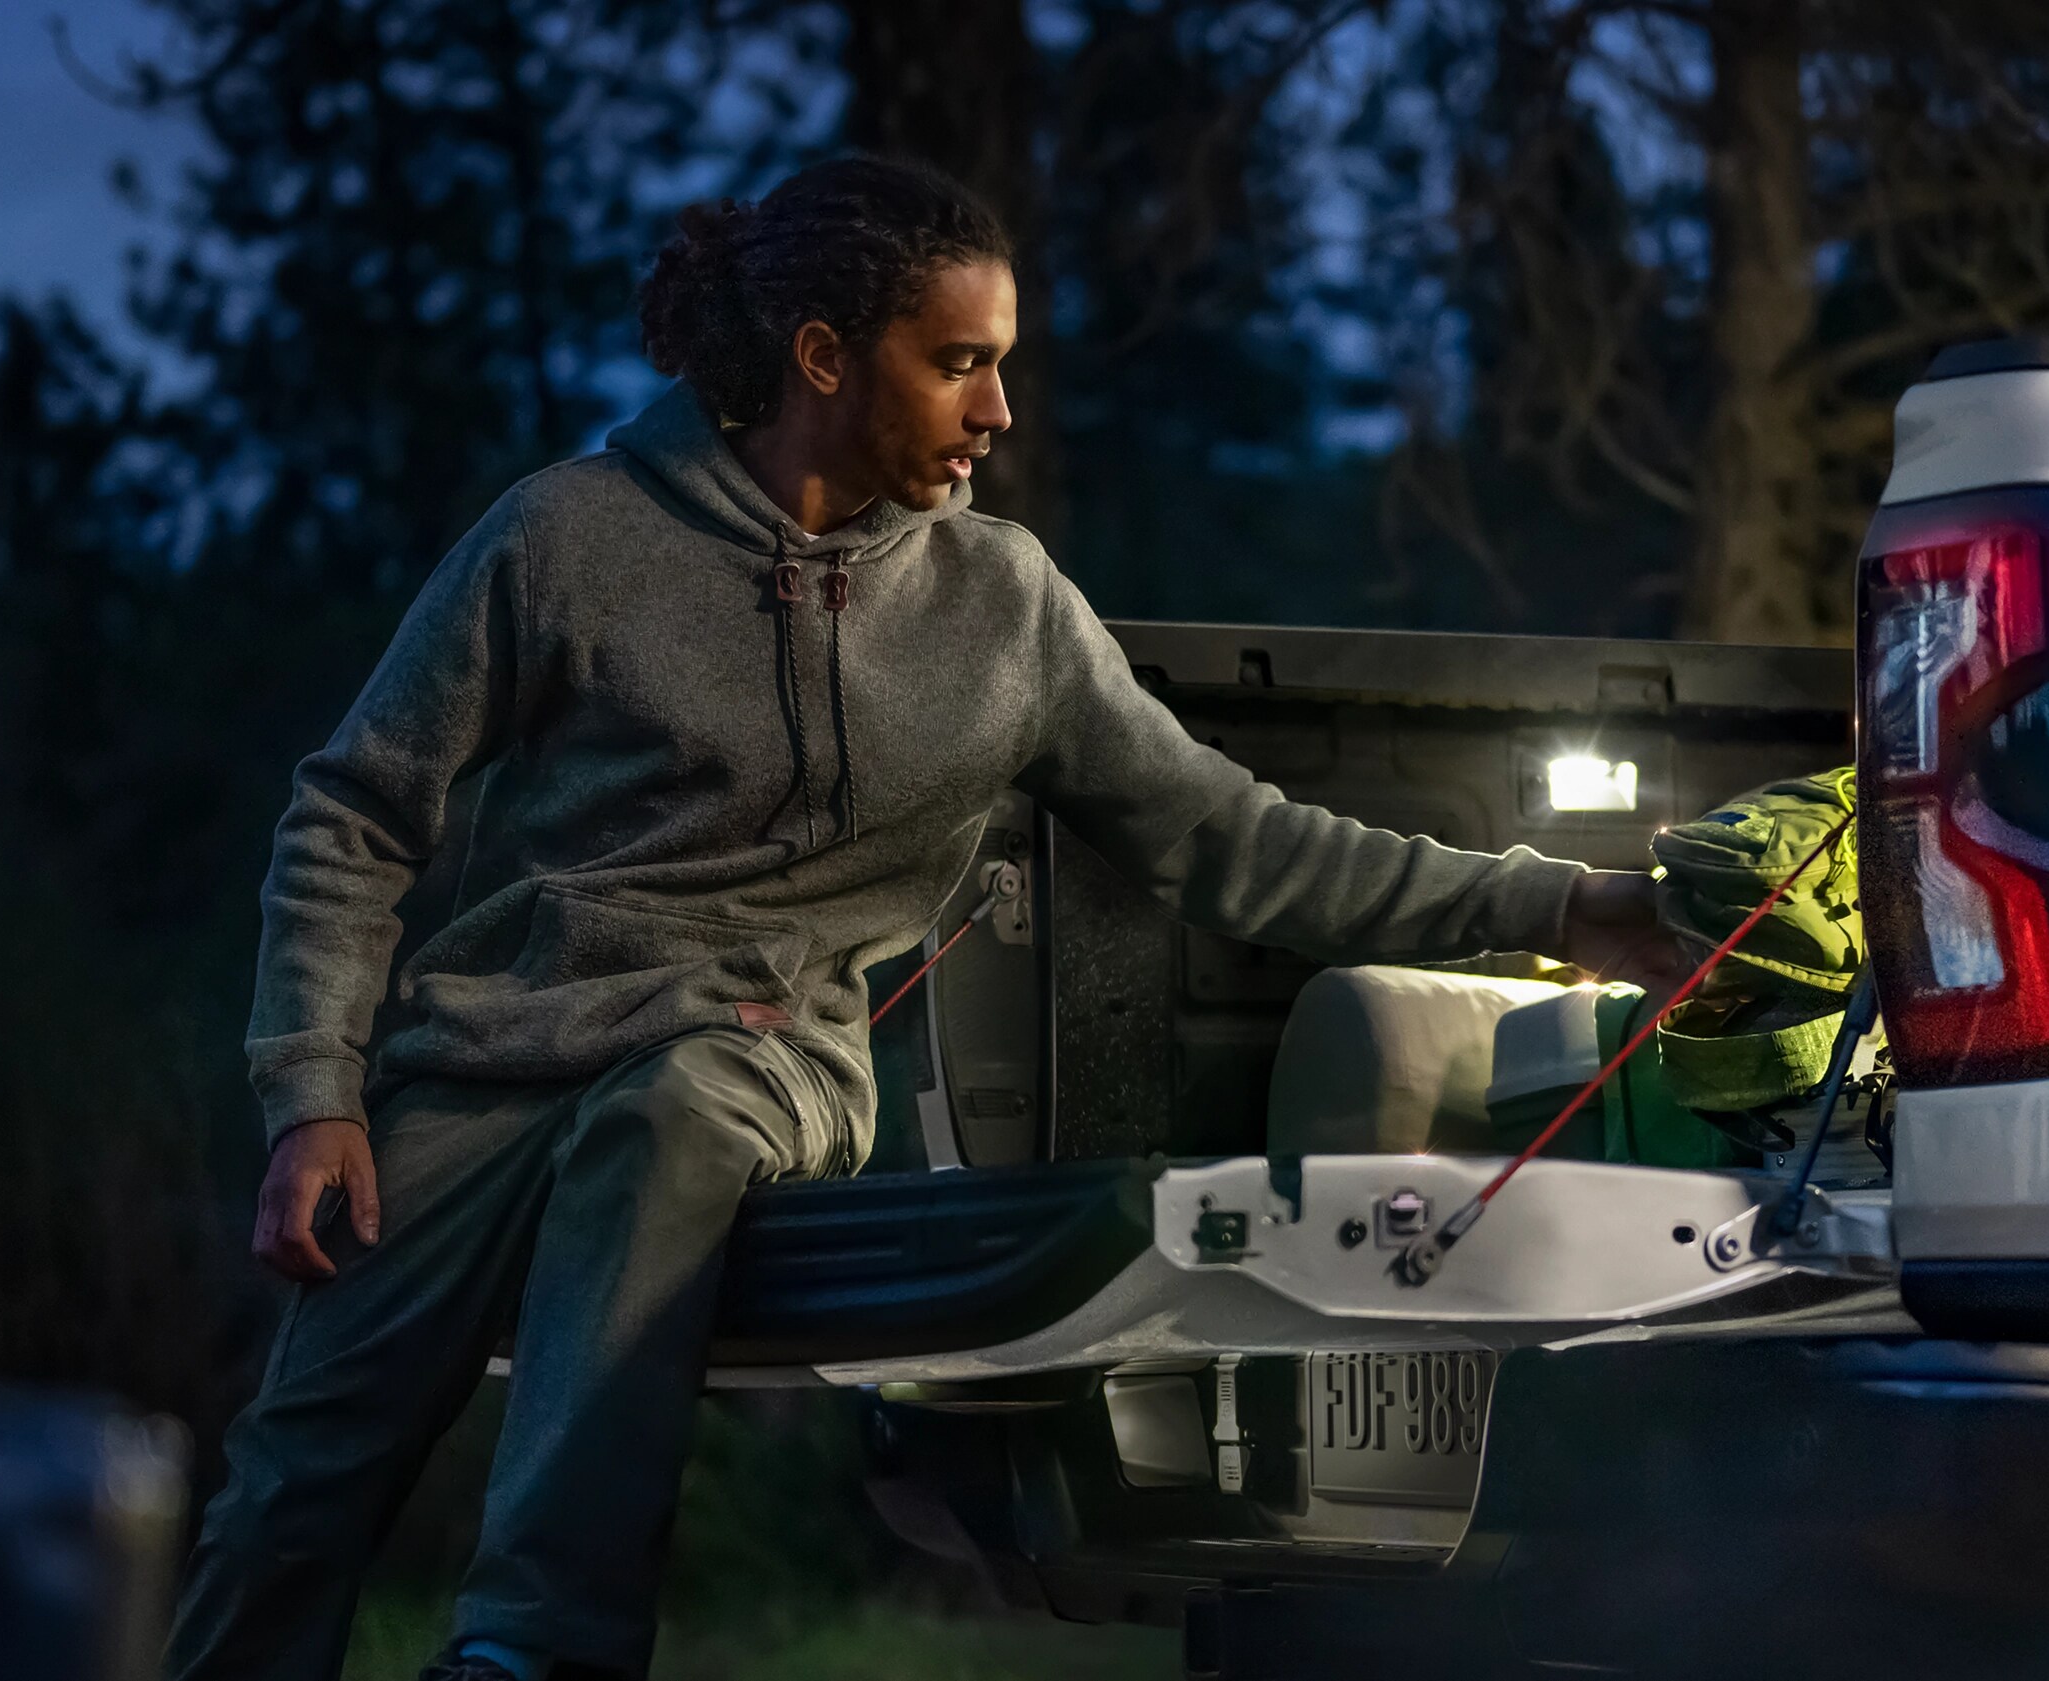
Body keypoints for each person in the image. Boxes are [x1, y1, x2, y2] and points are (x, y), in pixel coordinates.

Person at [162, 155, 1681, 1681]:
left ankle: (534, 1653)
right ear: (825, 356)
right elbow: (354, 809)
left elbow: (1242, 845)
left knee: (676, 1109)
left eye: (1002, 365)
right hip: (490, 1060)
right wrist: (315, 1093)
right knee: (292, 1494)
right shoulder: (563, 537)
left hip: (757, 1048)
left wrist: (1559, 900)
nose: (997, 412)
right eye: (960, 363)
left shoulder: (1006, 609)